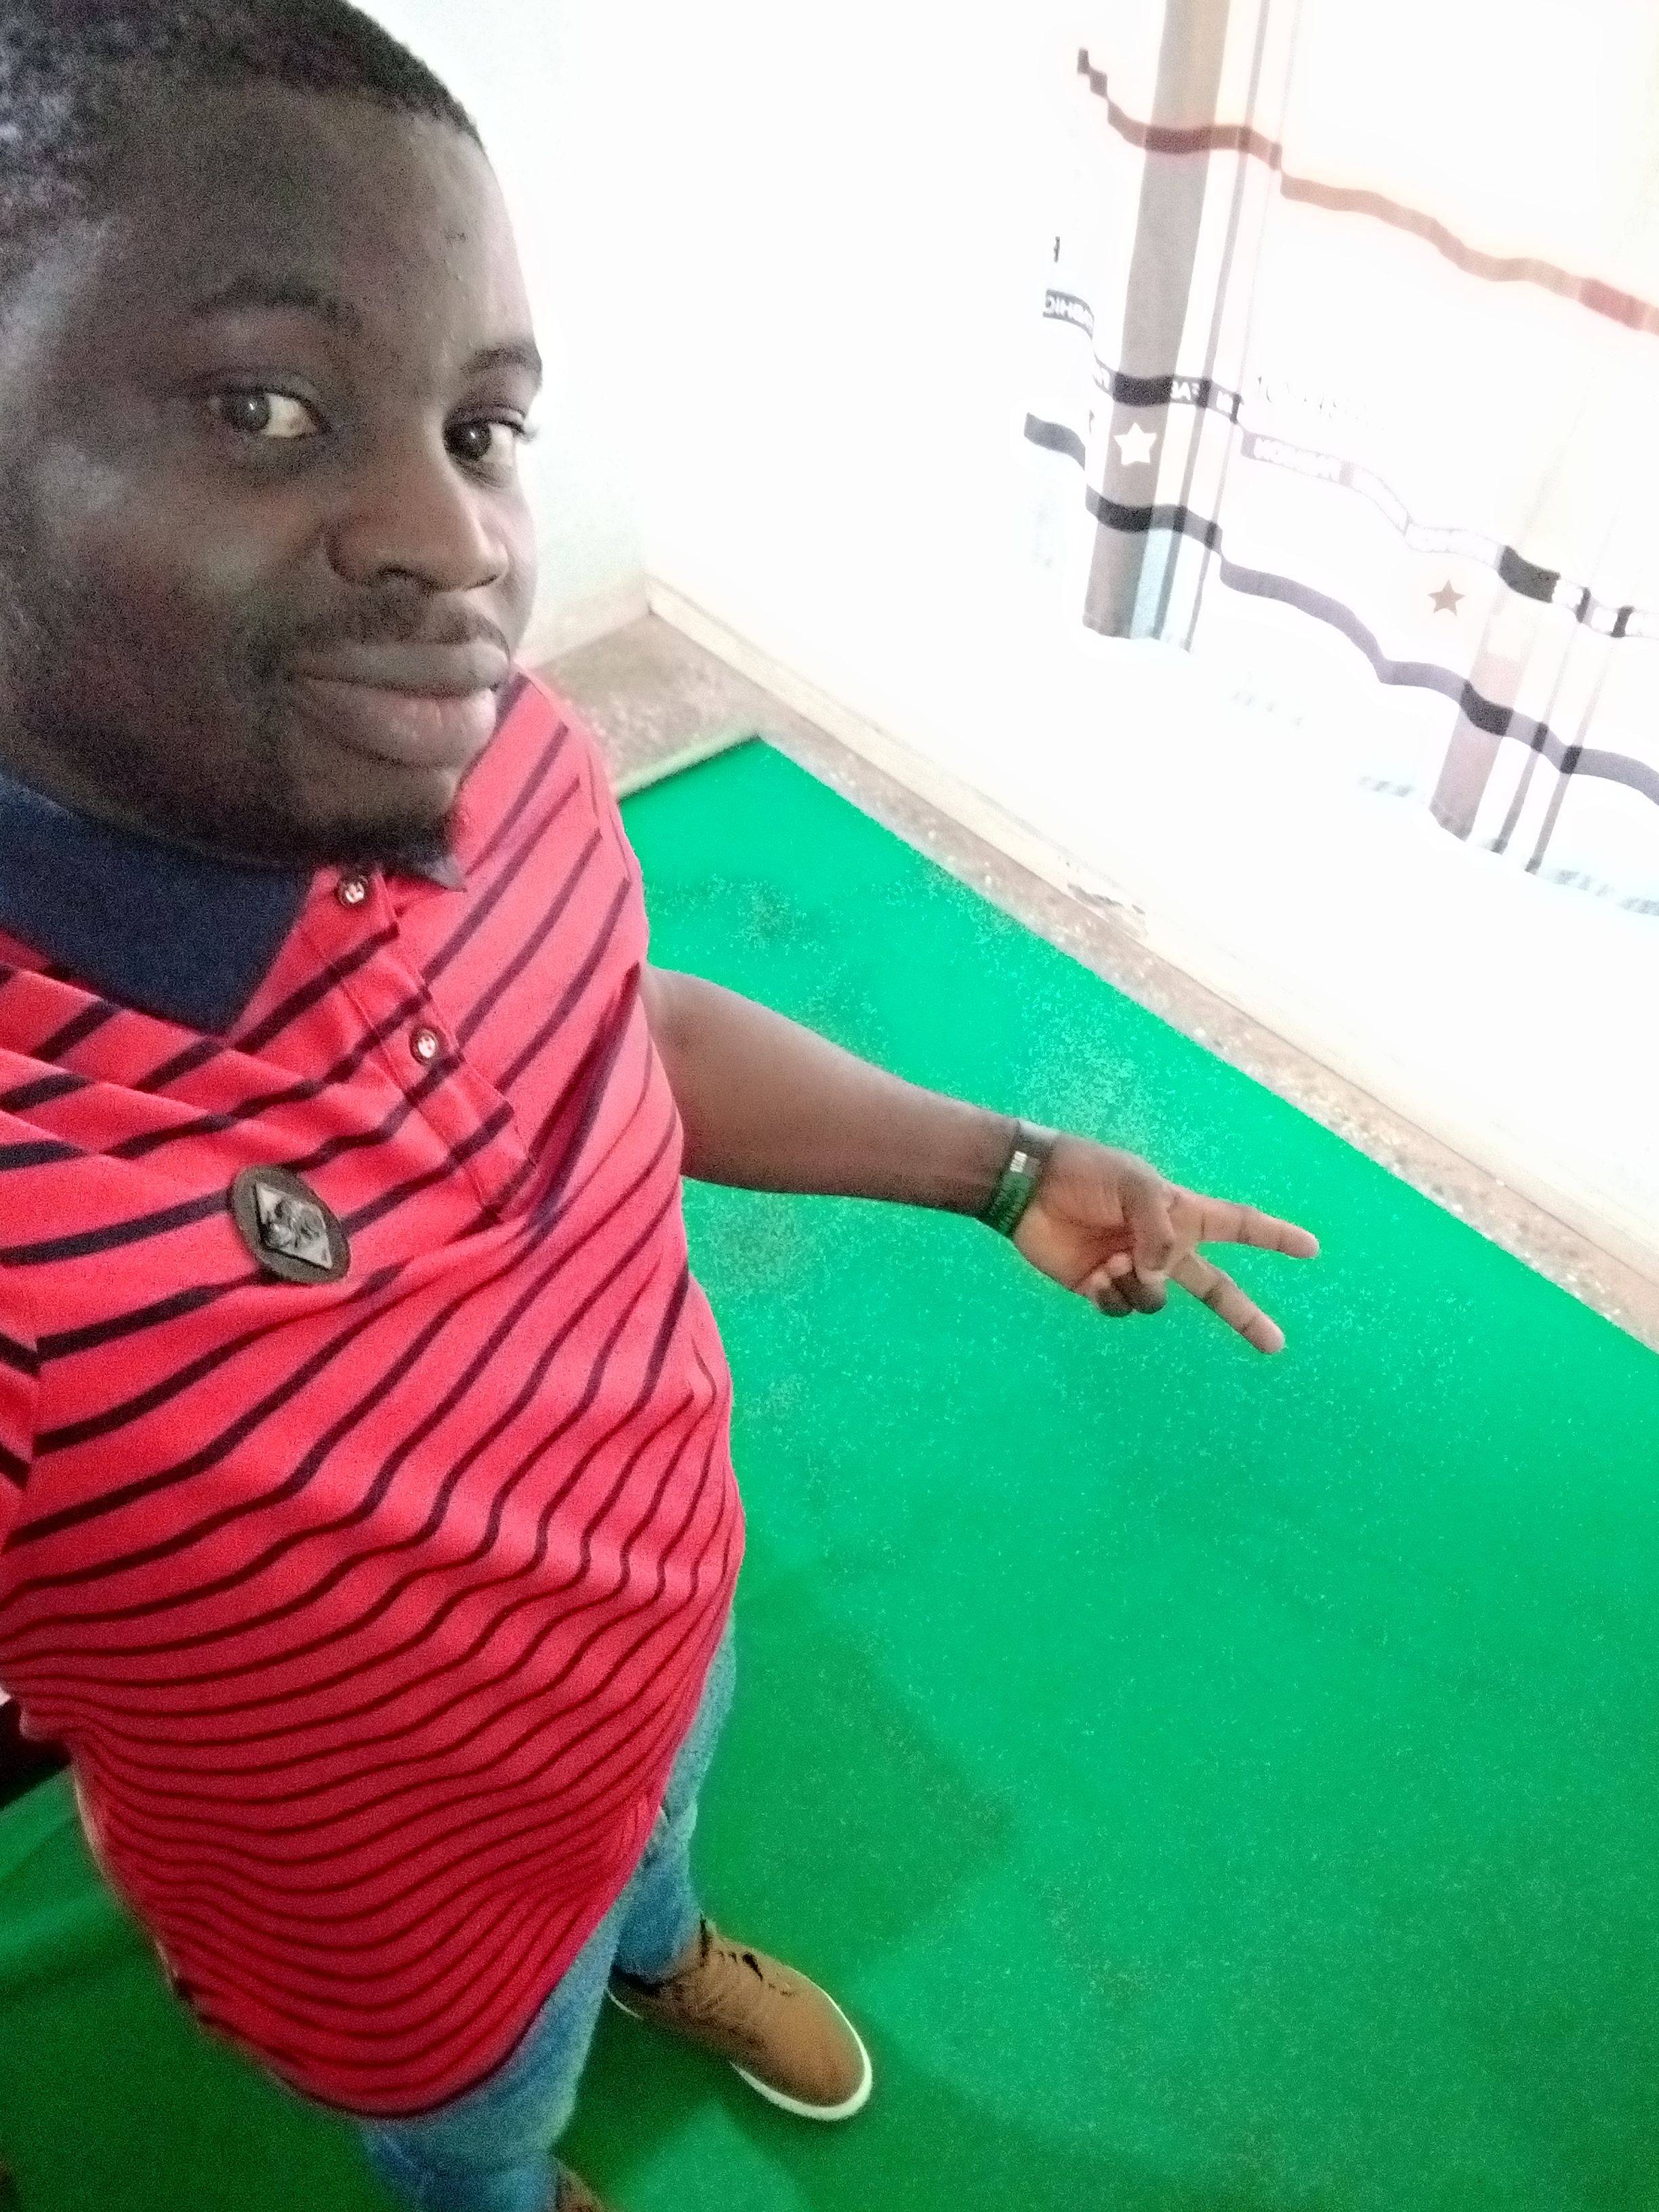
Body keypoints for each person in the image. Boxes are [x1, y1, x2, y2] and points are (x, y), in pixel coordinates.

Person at [0, 7, 1320, 2209]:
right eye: (264, 409)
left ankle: (660, 1949)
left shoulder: (490, 755)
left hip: (660, 1632)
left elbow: (627, 1033)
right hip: (391, 1923)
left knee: (649, 1860)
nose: (451, 541)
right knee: (482, 2125)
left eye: (483, 425)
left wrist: (1001, 1168)